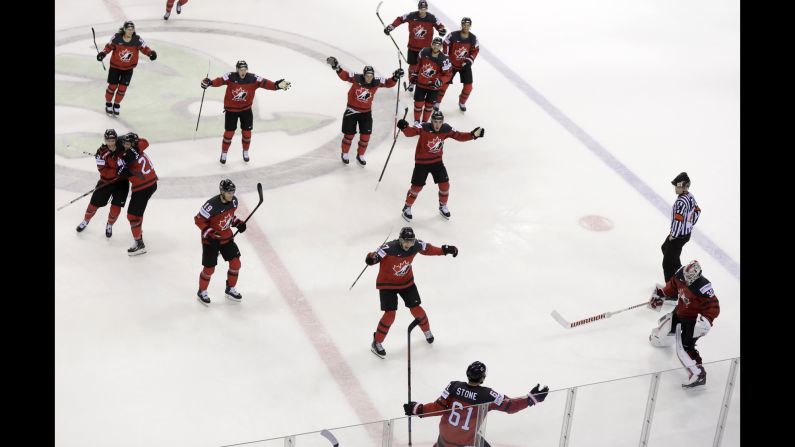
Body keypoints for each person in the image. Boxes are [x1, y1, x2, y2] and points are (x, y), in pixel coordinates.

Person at [404, 361, 549, 446]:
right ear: (482, 378)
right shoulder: (488, 395)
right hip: (465, 441)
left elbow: (437, 408)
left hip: (444, 438)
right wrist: (531, 399)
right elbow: (511, 406)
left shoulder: (453, 386)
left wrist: (417, 409)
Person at [365, 227, 458, 358]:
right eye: (406, 241)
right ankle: (377, 342)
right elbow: (374, 258)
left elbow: (429, 249)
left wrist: (445, 250)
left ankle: (427, 331)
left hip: (406, 282)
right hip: (387, 285)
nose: (409, 245)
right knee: (390, 315)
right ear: (400, 240)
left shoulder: (416, 245)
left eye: (411, 241)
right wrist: (370, 258)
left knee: (416, 308)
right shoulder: (388, 248)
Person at [396, 110, 484, 221]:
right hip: (421, 163)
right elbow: (410, 133)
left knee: (445, 185)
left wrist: (472, 135)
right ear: (431, 121)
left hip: (437, 162)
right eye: (435, 121)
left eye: (440, 122)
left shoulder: (446, 129)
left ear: (442, 122)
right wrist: (404, 127)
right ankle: (407, 207)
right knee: (416, 188)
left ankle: (443, 205)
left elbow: (459, 136)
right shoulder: (423, 127)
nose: (437, 124)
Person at [201, 61, 291, 164]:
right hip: (231, 111)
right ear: (237, 70)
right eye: (240, 70)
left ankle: (245, 151)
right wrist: (210, 82)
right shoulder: (230, 76)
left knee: (247, 133)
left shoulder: (253, 78)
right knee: (229, 133)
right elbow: (220, 81)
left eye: (244, 70)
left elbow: (265, 83)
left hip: (246, 110)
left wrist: (276, 86)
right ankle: (224, 153)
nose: (243, 72)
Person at [648, 260, 720, 388]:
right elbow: (673, 286)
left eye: (690, 278)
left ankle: (698, 374)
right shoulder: (681, 274)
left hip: (693, 320)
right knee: (664, 328)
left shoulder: (703, 287)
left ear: (697, 275)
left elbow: (713, 306)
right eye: (686, 277)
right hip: (681, 311)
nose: (686, 280)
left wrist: (707, 320)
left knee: (686, 347)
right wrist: (662, 293)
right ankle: (661, 339)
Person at [326, 57, 402, 166]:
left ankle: (360, 155)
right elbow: (345, 76)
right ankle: (345, 153)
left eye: (371, 76)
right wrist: (337, 67)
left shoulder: (376, 82)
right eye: (367, 76)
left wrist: (395, 77)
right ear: (363, 75)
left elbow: (388, 83)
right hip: (351, 110)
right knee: (349, 134)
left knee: (366, 135)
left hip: (366, 112)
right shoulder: (356, 78)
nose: (369, 78)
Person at [193, 179, 247, 305]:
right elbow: (198, 220)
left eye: (233, 192)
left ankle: (230, 288)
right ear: (222, 192)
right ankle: (202, 291)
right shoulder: (211, 205)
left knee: (236, 263)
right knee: (209, 269)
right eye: (228, 192)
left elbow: (228, 218)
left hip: (226, 238)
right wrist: (210, 233)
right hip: (211, 241)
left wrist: (238, 223)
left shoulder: (234, 201)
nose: (231, 195)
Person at [75, 129, 130, 238]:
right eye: (108, 140)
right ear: (105, 140)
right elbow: (103, 171)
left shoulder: (122, 146)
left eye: (113, 140)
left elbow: (141, 144)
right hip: (106, 182)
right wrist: (117, 170)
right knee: (93, 203)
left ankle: (109, 224)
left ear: (116, 139)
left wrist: (133, 137)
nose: (110, 143)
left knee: (116, 207)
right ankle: (86, 220)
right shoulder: (101, 152)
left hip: (122, 183)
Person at [384, 0, 446, 92]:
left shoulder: (432, 18)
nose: (422, 11)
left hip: (426, 50)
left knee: (425, 67)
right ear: (418, 8)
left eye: (424, 9)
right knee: (413, 66)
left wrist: (442, 30)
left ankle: (424, 83)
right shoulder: (411, 15)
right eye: (421, 9)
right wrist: (392, 26)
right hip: (413, 47)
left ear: (427, 9)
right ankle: (412, 82)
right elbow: (400, 18)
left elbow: (440, 26)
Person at [97, 21, 157, 117]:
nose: (130, 31)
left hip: (128, 69)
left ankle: (116, 104)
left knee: (122, 88)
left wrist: (150, 53)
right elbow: (108, 47)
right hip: (115, 67)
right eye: (128, 29)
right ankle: (108, 103)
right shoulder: (117, 38)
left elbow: (144, 48)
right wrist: (102, 54)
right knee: (112, 87)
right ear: (124, 29)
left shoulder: (137, 40)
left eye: (132, 29)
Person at [114, 132, 158, 255]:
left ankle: (139, 244)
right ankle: (139, 231)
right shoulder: (138, 147)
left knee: (132, 215)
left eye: (128, 143)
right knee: (138, 212)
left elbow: (123, 172)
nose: (125, 145)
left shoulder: (127, 156)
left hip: (143, 187)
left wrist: (121, 171)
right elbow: (145, 141)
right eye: (124, 143)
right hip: (151, 183)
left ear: (133, 144)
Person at [661, 172, 701, 283]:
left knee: (667, 263)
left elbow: (678, 221)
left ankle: (672, 290)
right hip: (685, 234)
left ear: (685, 187)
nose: (675, 189)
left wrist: (674, 235)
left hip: (678, 236)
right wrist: (690, 224)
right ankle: (678, 270)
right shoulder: (690, 196)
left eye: (678, 187)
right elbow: (697, 210)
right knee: (665, 248)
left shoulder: (680, 202)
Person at [439, 17, 479, 112]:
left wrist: (469, 60)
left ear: (470, 26)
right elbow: (445, 44)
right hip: (451, 65)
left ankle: (462, 102)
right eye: (464, 25)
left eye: (468, 25)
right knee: (444, 84)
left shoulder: (473, 38)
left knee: (468, 87)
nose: (466, 27)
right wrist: (446, 58)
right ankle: (437, 102)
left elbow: (475, 50)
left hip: (464, 66)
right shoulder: (453, 35)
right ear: (461, 25)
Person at [409, 37, 452, 125]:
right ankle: (416, 121)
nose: (436, 47)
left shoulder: (444, 59)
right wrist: (415, 74)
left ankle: (424, 123)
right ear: (431, 44)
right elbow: (419, 65)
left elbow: (448, 75)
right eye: (434, 44)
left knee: (429, 106)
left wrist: (441, 81)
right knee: (418, 104)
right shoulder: (424, 52)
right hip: (421, 83)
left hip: (433, 87)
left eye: (438, 45)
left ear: (441, 46)